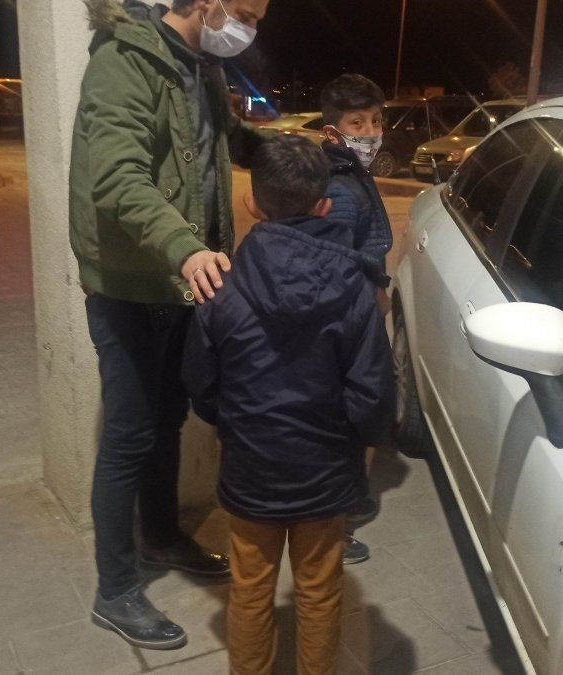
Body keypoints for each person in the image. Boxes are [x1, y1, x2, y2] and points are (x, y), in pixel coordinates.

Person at [70, 0, 269, 650]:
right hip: (131, 281)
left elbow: (223, 140)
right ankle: (114, 588)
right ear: (207, 3)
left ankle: (159, 535)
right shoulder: (123, 61)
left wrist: (289, 153)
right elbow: (116, 178)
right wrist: (185, 248)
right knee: (128, 435)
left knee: (167, 418)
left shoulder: (203, 64)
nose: (250, 29)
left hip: (184, 279)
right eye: (246, 13)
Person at [182, 136, 395, 675]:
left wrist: (238, 424)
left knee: (250, 588)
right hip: (325, 471)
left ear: (253, 203)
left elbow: (202, 385)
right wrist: (352, 443)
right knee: (320, 590)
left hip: (251, 467)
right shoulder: (355, 285)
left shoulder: (222, 286)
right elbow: (373, 393)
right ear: (323, 205)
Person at [318, 73, 395, 565]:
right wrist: (375, 290)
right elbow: (341, 258)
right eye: (357, 123)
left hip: (358, 309)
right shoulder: (340, 185)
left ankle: (348, 500)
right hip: (350, 315)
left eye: (376, 120)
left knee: (354, 409)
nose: (370, 132)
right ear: (333, 130)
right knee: (349, 413)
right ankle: (334, 526)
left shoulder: (350, 171)